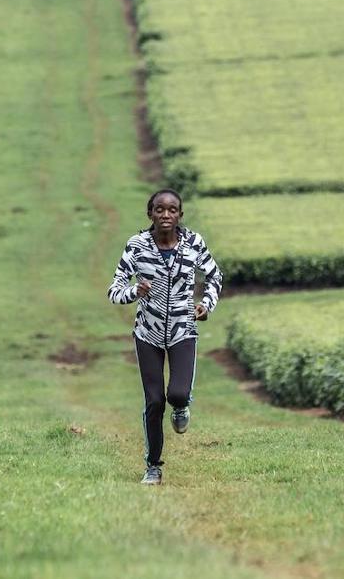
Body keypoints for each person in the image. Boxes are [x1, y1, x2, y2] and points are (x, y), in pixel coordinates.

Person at [108, 188, 223, 485]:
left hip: (184, 329)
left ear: (180, 215)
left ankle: (182, 407)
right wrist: (135, 291)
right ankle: (153, 467)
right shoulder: (136, 246)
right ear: (150, 214)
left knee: (177, 395)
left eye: (172, 210)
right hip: (148, 332)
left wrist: (206, 305)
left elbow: (214, 276)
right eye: (160, 209)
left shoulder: (194, 244)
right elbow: (115, 290)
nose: (166, 215)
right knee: (155, 400)